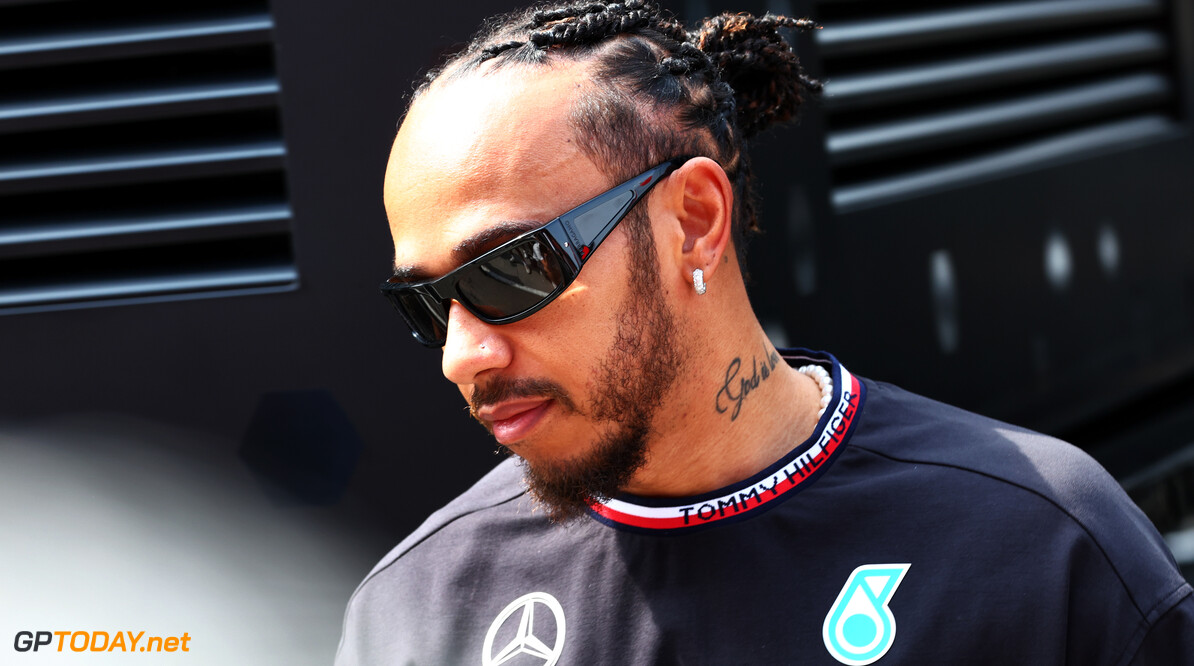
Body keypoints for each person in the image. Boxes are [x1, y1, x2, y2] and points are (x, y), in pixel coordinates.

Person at [336, 1, 1194, 663]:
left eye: (510, 272)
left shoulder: (1041, 548)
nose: (463, 355)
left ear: (695, 221)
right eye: (426, 304)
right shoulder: (419, 609)